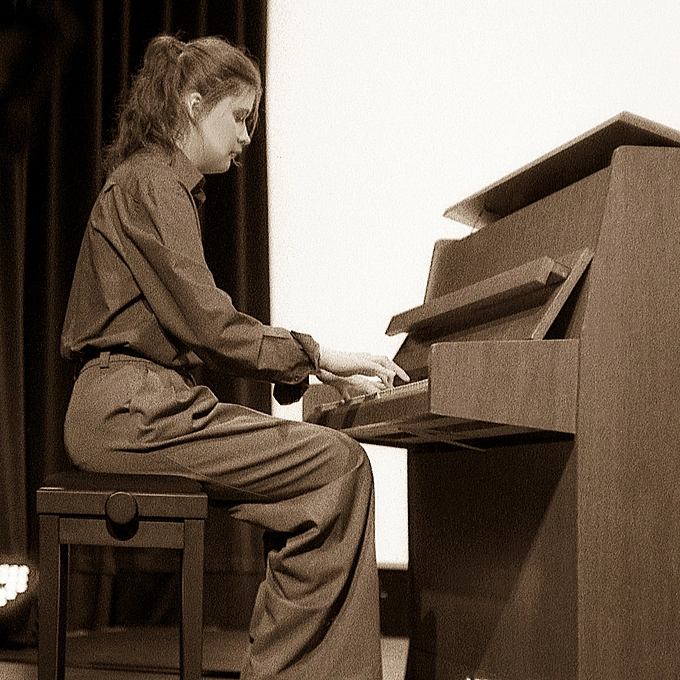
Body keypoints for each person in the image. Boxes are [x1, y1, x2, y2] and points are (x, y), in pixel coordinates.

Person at [60, 34, 408, 680]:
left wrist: (304, 365)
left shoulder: (153, 183)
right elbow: (210, 325)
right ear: (194, 105)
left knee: (322, 480)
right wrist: (318, 356)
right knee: (338, 466)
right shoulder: (152, 183)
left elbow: (203, 327)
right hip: (133, 410)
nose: (248, 136)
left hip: (139, 405)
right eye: (240, 117)